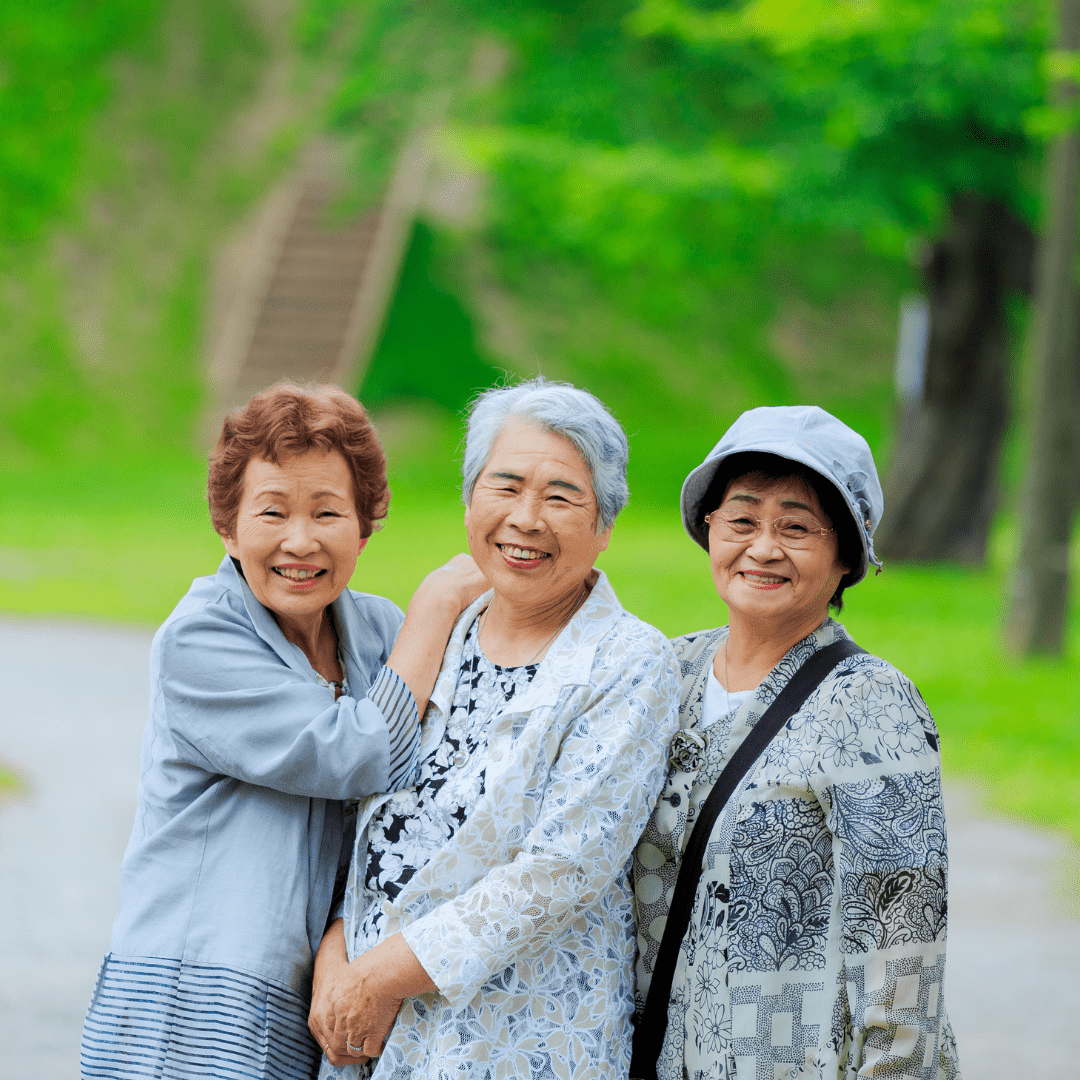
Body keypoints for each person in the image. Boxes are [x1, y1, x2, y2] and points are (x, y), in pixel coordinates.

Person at [80, 384, 486, 1080]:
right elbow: (357, 753)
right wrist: (439, 602)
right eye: (272, 511)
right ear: (229, 529)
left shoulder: (379, 633)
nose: (301, 541)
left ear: (364, 526)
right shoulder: (200, 639)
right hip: (188, 1004)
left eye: (328, 511)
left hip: (309, 1004)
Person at [308, 377, 681, 1078]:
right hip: (371, 1043)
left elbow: (561, 869)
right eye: (505, 486)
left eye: (561, 496)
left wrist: (375, 977)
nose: (526, 518)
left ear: (604, 524)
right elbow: (361, 812)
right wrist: (337, 954)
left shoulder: (629, 662)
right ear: (470, 497)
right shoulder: (436, 635)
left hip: (511, 1042)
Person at [632, 406, 962, 1080]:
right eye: (743, 520)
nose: (763, 547)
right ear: (709, 531)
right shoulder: (662, 674)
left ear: (846, 556)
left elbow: (904, 954)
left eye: (797, 527)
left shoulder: (869, 705)